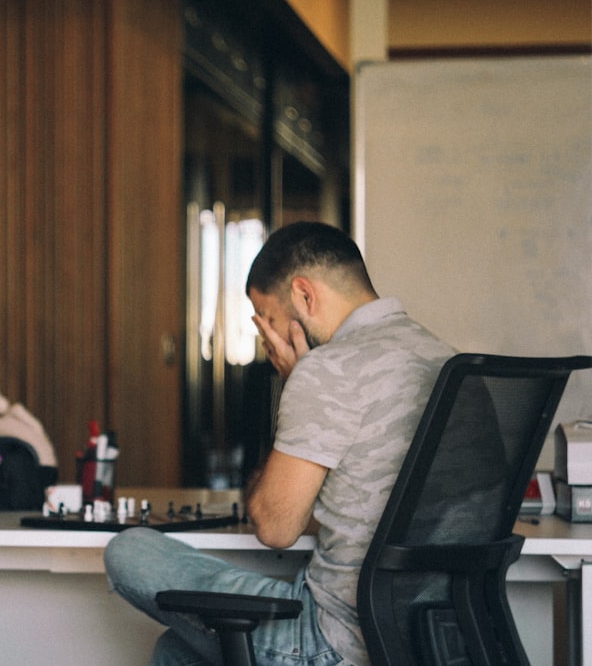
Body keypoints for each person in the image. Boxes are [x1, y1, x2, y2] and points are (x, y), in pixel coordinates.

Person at [104, 221, 456, 665]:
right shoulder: (444, 359)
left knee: (128, 548)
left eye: (267, 319)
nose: (266, 339)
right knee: (175, 653)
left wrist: (297, 387)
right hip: (436, 635)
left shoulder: (327, 371)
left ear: (305, 296)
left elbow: (275, 526)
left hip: (333, 641)